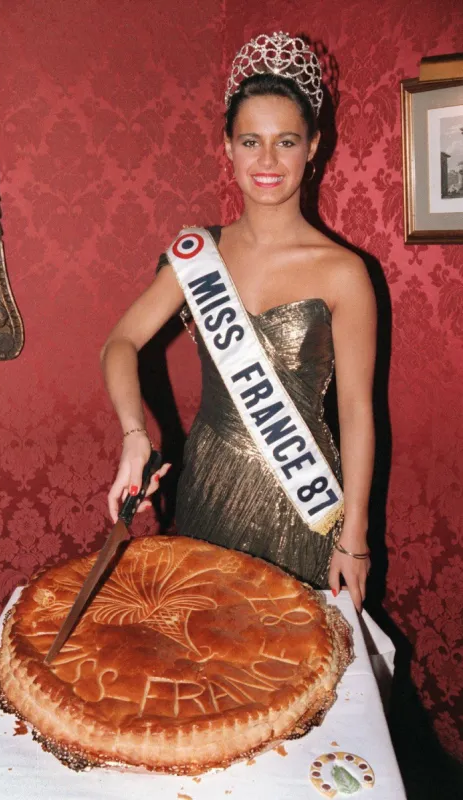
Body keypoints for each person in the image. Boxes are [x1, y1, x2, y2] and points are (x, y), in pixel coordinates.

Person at [100, 33, 376, 612]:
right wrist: (134, 436)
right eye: (251, 141)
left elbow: (356, 412)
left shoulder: (344, 272)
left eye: (286, 142)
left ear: (313, 147)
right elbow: (120, 342)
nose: (268, 162)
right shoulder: (199, 254)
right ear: (227, 146)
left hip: (303, 497)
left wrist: (355, 539)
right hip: (208, 486)